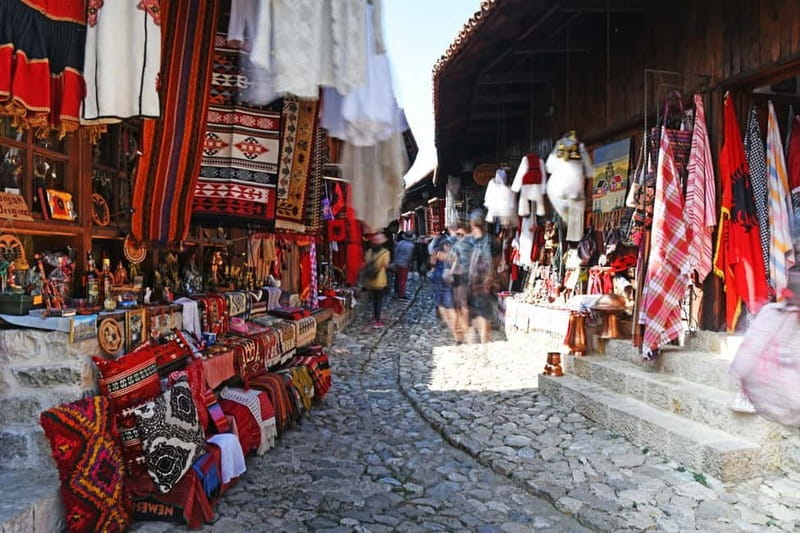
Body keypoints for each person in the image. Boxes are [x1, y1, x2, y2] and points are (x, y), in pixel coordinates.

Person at [466, 209, 496, 343]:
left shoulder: (469, 241)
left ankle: (479, 337)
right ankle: (483, 337)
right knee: (481, 308)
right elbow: (496, 260)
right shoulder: (490, 240)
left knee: (477, 308)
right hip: (483, 279)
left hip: (475, 279)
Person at [448, 221, 473, 344]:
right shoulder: (471, 245)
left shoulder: (459, 245)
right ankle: (463, 329)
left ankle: (461, 332)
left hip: (458, 274)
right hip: (466, 275)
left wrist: (450, 274)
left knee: (460, 304)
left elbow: (454, 260)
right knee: (463, 303)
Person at [429, 232, 456, 335]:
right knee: (448, 294)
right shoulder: (452, 252)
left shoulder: (436, 251)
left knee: (438, 294)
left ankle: (442, 316)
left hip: (437, 274)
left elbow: (432, 263)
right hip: (447, 275)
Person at [363, 233, 391, 328]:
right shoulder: (385, 252)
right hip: (380, 279)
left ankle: (375, 315)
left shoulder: (369, 251)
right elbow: (386, 265)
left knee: (374, 299)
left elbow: (366, 262)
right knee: (379, 300)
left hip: (370, 280)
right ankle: (377, 320)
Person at [392, 231, 415, 299]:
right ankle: (401, 293)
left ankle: (397, 291)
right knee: (403, 279)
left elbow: (395, 252)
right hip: (404, 264)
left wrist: (395, 261)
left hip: (397, 262)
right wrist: (409, 264)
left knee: (397, 278)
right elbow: (409, 256)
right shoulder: (411, 245)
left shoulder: (399, 243)